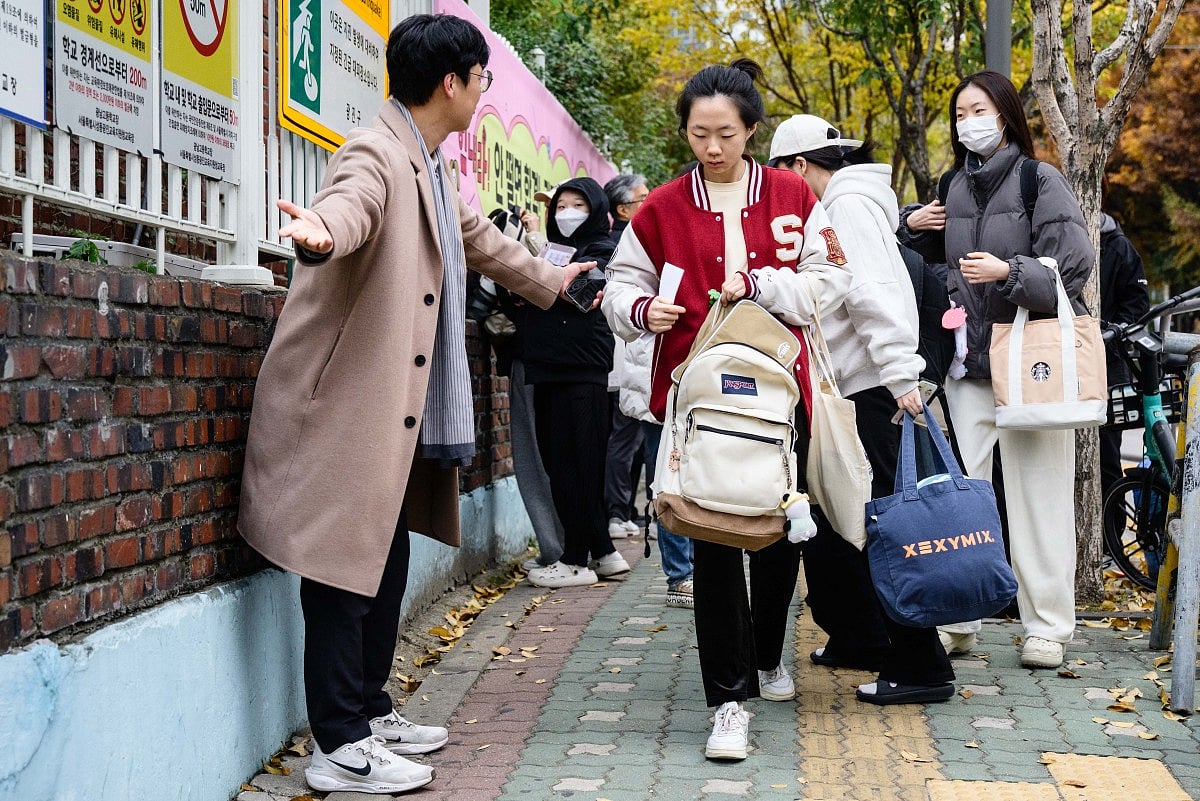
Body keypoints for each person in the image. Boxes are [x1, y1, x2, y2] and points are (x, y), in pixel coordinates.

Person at [237, 15, 596, 795]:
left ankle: (367, 710)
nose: (482, 91)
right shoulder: (377, 153)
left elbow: (484, 243)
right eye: (481, 79)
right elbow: (350, 204)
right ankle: (338, 745)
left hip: (389, 412)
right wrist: (322, 233)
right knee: (341, 572)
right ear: (452, 83)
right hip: (342, 408)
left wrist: (552, 279)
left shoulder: (429, 164)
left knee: (384, 557)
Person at [602, 58, 852, 760]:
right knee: (713, 537)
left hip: (780, 394)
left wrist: (763, 284)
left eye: (726, 133)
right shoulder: (659, 209)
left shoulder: (794, 197)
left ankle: (768, 652)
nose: (711, 148)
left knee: (776, 531)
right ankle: (728, 700)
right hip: (697, 396)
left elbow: (833, 277)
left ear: (751, 130)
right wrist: (643, 308)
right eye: (698, 133)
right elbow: (620, 285)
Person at [897, 70, 1095, 670]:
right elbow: (926, 271)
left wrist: (1009, 273)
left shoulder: (1040, 180)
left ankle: (1048, 627)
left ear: (1005, 115)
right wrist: (909, 226)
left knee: (1040, 497)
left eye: (977, 110)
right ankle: (959, 617)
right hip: (967, 368)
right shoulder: (950, 186)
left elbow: (1075, 264)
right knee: (962, 497)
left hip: (1029, 360)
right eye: (959, 114)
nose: (967, 123)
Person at [767, 115, 955, 704]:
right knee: (838, 522)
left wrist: (901, 373)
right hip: (854, 387)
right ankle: (859, 637)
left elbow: (874, 295)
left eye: (780, 176)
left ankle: (923, 666)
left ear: (800, 167)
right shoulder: (858, 204)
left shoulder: (843, 209)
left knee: (882, 527)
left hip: (871, 388)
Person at [519, 177, 632, 588]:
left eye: (577, 205)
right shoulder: (554, 253)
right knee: (560, 461)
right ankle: (604, 552)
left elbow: (584, 294)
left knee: (576, 466)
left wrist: (541, 280)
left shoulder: (606, 251)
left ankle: (575, 561)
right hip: (549, 366)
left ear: (597, 210)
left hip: (580, 369)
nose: (566, 213)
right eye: (560, 205)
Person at [618, 332, 696, 607]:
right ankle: (679, 576)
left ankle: (692, 571)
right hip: (656, 388)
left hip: (693, 382)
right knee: (668, 484)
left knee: (694, 481)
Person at [603, 174, 652, 539]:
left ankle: (628, 511)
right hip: (626, 359)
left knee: (632, 442)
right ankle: (618, 512)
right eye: (642, 199)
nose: (649, 205)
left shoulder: (634, 240)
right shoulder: (622, 246)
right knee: (625, 440)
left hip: (633, 360)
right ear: (623, 209)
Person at [1098, 209, 1150, 507]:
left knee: (1107, 456)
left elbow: (1137, 306)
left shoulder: (1118, 246)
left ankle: (1111, 537)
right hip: (1066, 361)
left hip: (1108, 362)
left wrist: (1112, 332)